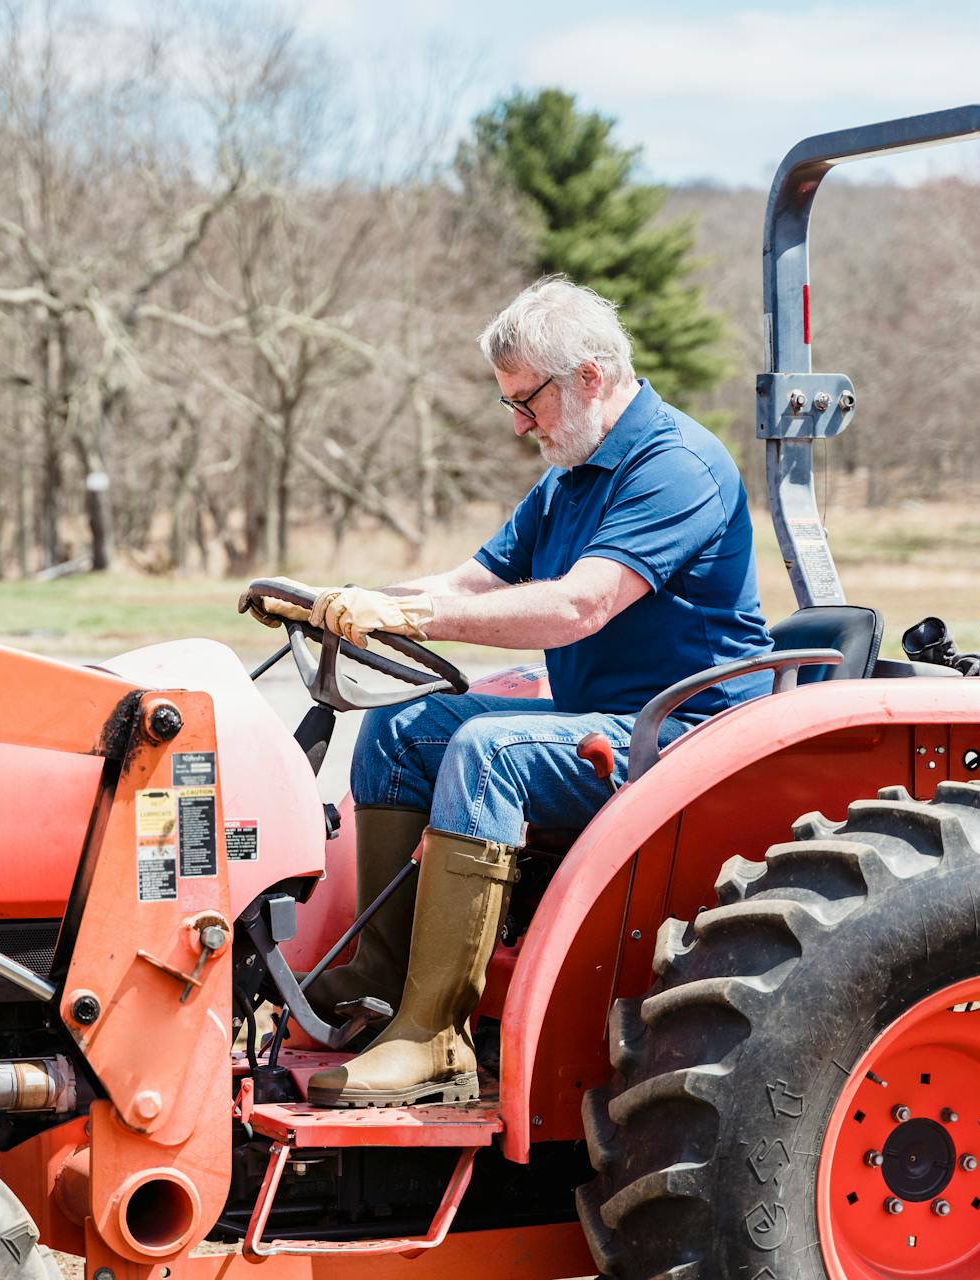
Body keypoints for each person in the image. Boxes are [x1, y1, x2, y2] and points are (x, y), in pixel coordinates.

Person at [247, 276, 772, 1107]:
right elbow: (471, 581)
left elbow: (578, 605)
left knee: (487, 750)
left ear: (590, 378)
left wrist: (413, 618)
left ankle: (434, 1037)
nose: (522, 425)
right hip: (598, 718)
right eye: (512, 406)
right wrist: (344, 606)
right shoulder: (570, 475)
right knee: (404, 729)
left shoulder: (676, 466)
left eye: (529, 402)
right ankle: (379, 976)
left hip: (684, 733)